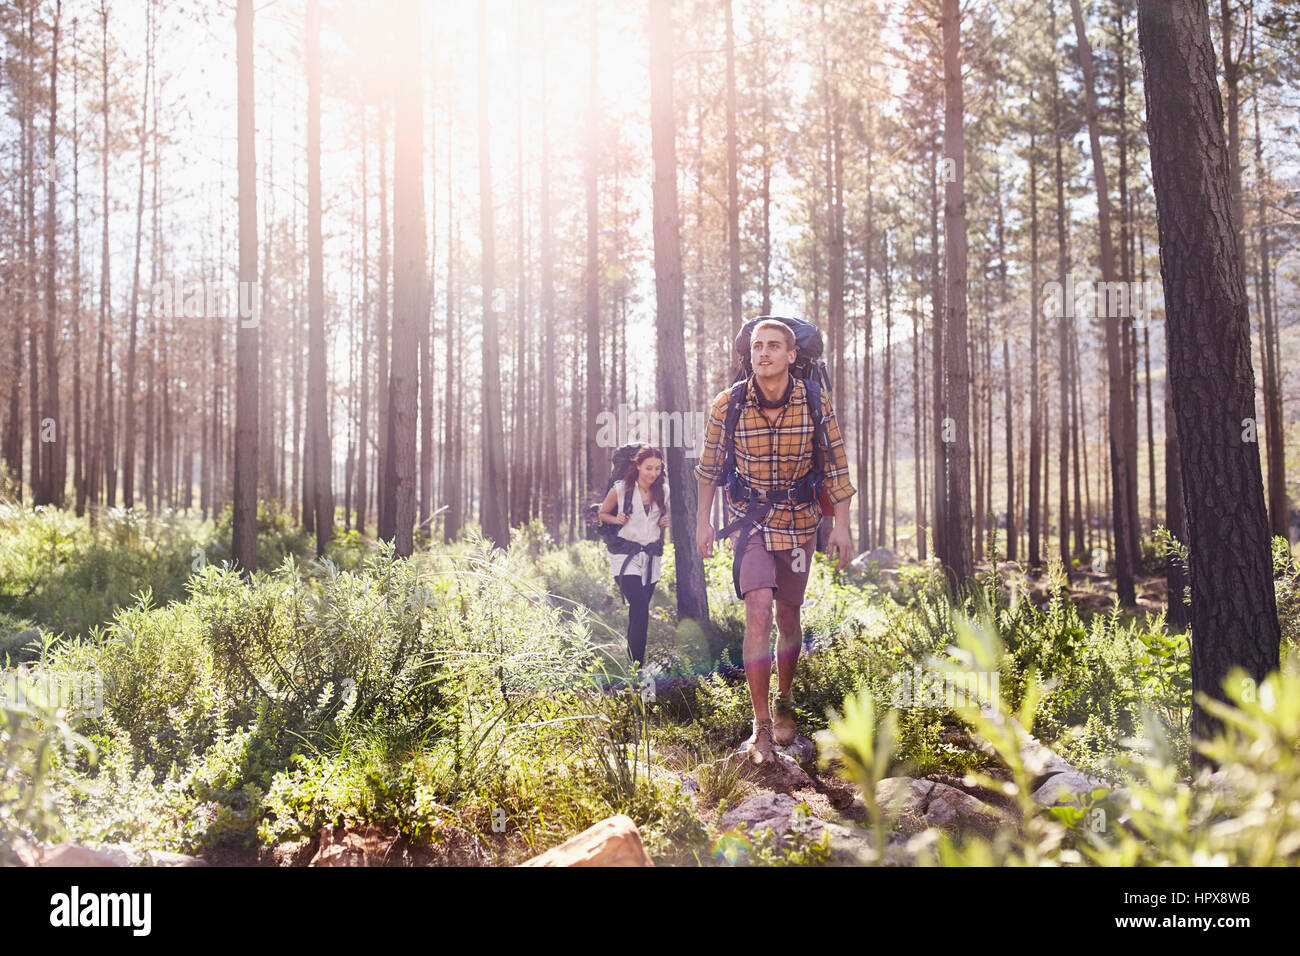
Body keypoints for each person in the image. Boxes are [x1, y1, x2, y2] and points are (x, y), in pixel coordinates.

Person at [694, 320, 855, 764]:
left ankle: (785, 700)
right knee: (758, 610)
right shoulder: (728, 405)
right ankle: (760, 723)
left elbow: (837, 469)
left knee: (788, 615)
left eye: (773, 346)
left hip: (801, 525)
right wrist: (702, 523)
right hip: (750, 525)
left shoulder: (816, 401)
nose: (762, 353)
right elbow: (708, 470)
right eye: (757, 346)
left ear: (790, 356)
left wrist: (840, 526)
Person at [598, 445, 670, 667]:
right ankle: (637, 669)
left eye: (657, 468)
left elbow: (659, 520)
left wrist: (664, 522)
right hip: (625, 558)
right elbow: (602, 514)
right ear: (637, 466)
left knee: (638, 614)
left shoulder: (664, 491)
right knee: (640, 608)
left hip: (651, 560)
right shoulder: (620, 489)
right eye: (648, 468)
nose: (653, 473)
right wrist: (616, 519)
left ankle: (633, 666)